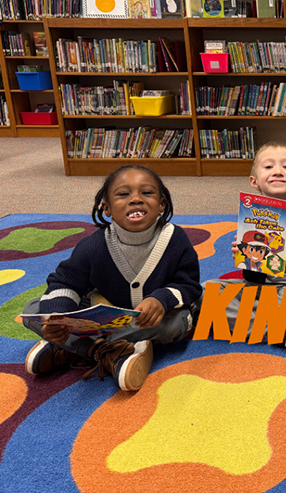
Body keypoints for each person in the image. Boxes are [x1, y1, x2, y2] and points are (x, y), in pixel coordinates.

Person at [23, 166, 202, 392]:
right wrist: (57, 319)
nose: (136, 199)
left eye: (147, 193)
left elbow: (189, 285)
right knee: (35, 310)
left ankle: (77, 348)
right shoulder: (93, 246)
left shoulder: (175, 239)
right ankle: (111, 350)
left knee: (180, 322)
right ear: (106, 208)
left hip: (147, 320)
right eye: (123, 194)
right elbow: (66, 283)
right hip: (104, 312)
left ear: (162, 204)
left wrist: (161, 299)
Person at [211, 141, 286, 352]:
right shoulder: (250, 215)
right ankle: (277, 331)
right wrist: (248, 258)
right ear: (254, 181)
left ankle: (248, 320)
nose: (278, 172)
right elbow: (251, 278)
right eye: (269, 167)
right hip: (257, 289)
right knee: (206, 292)